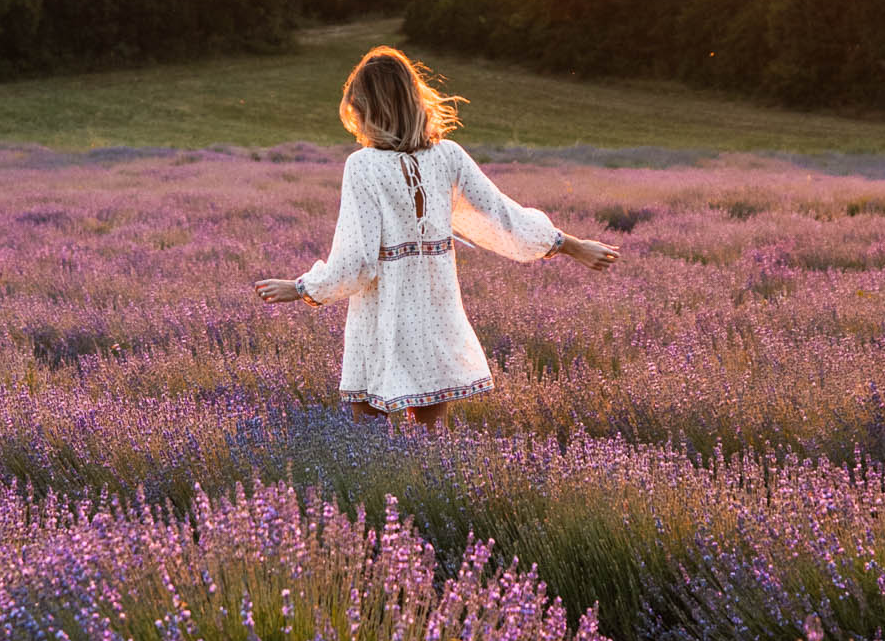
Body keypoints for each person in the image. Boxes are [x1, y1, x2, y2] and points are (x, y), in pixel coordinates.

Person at [255, 46, 616, 427]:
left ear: (367, 109)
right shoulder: (448, 156)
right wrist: (572, 245)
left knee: (366, 436)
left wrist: (301, 287)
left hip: (382, 315)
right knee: (432, 441)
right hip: (434, 311)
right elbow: (503, 218)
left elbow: (357, 263)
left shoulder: (363, 165)